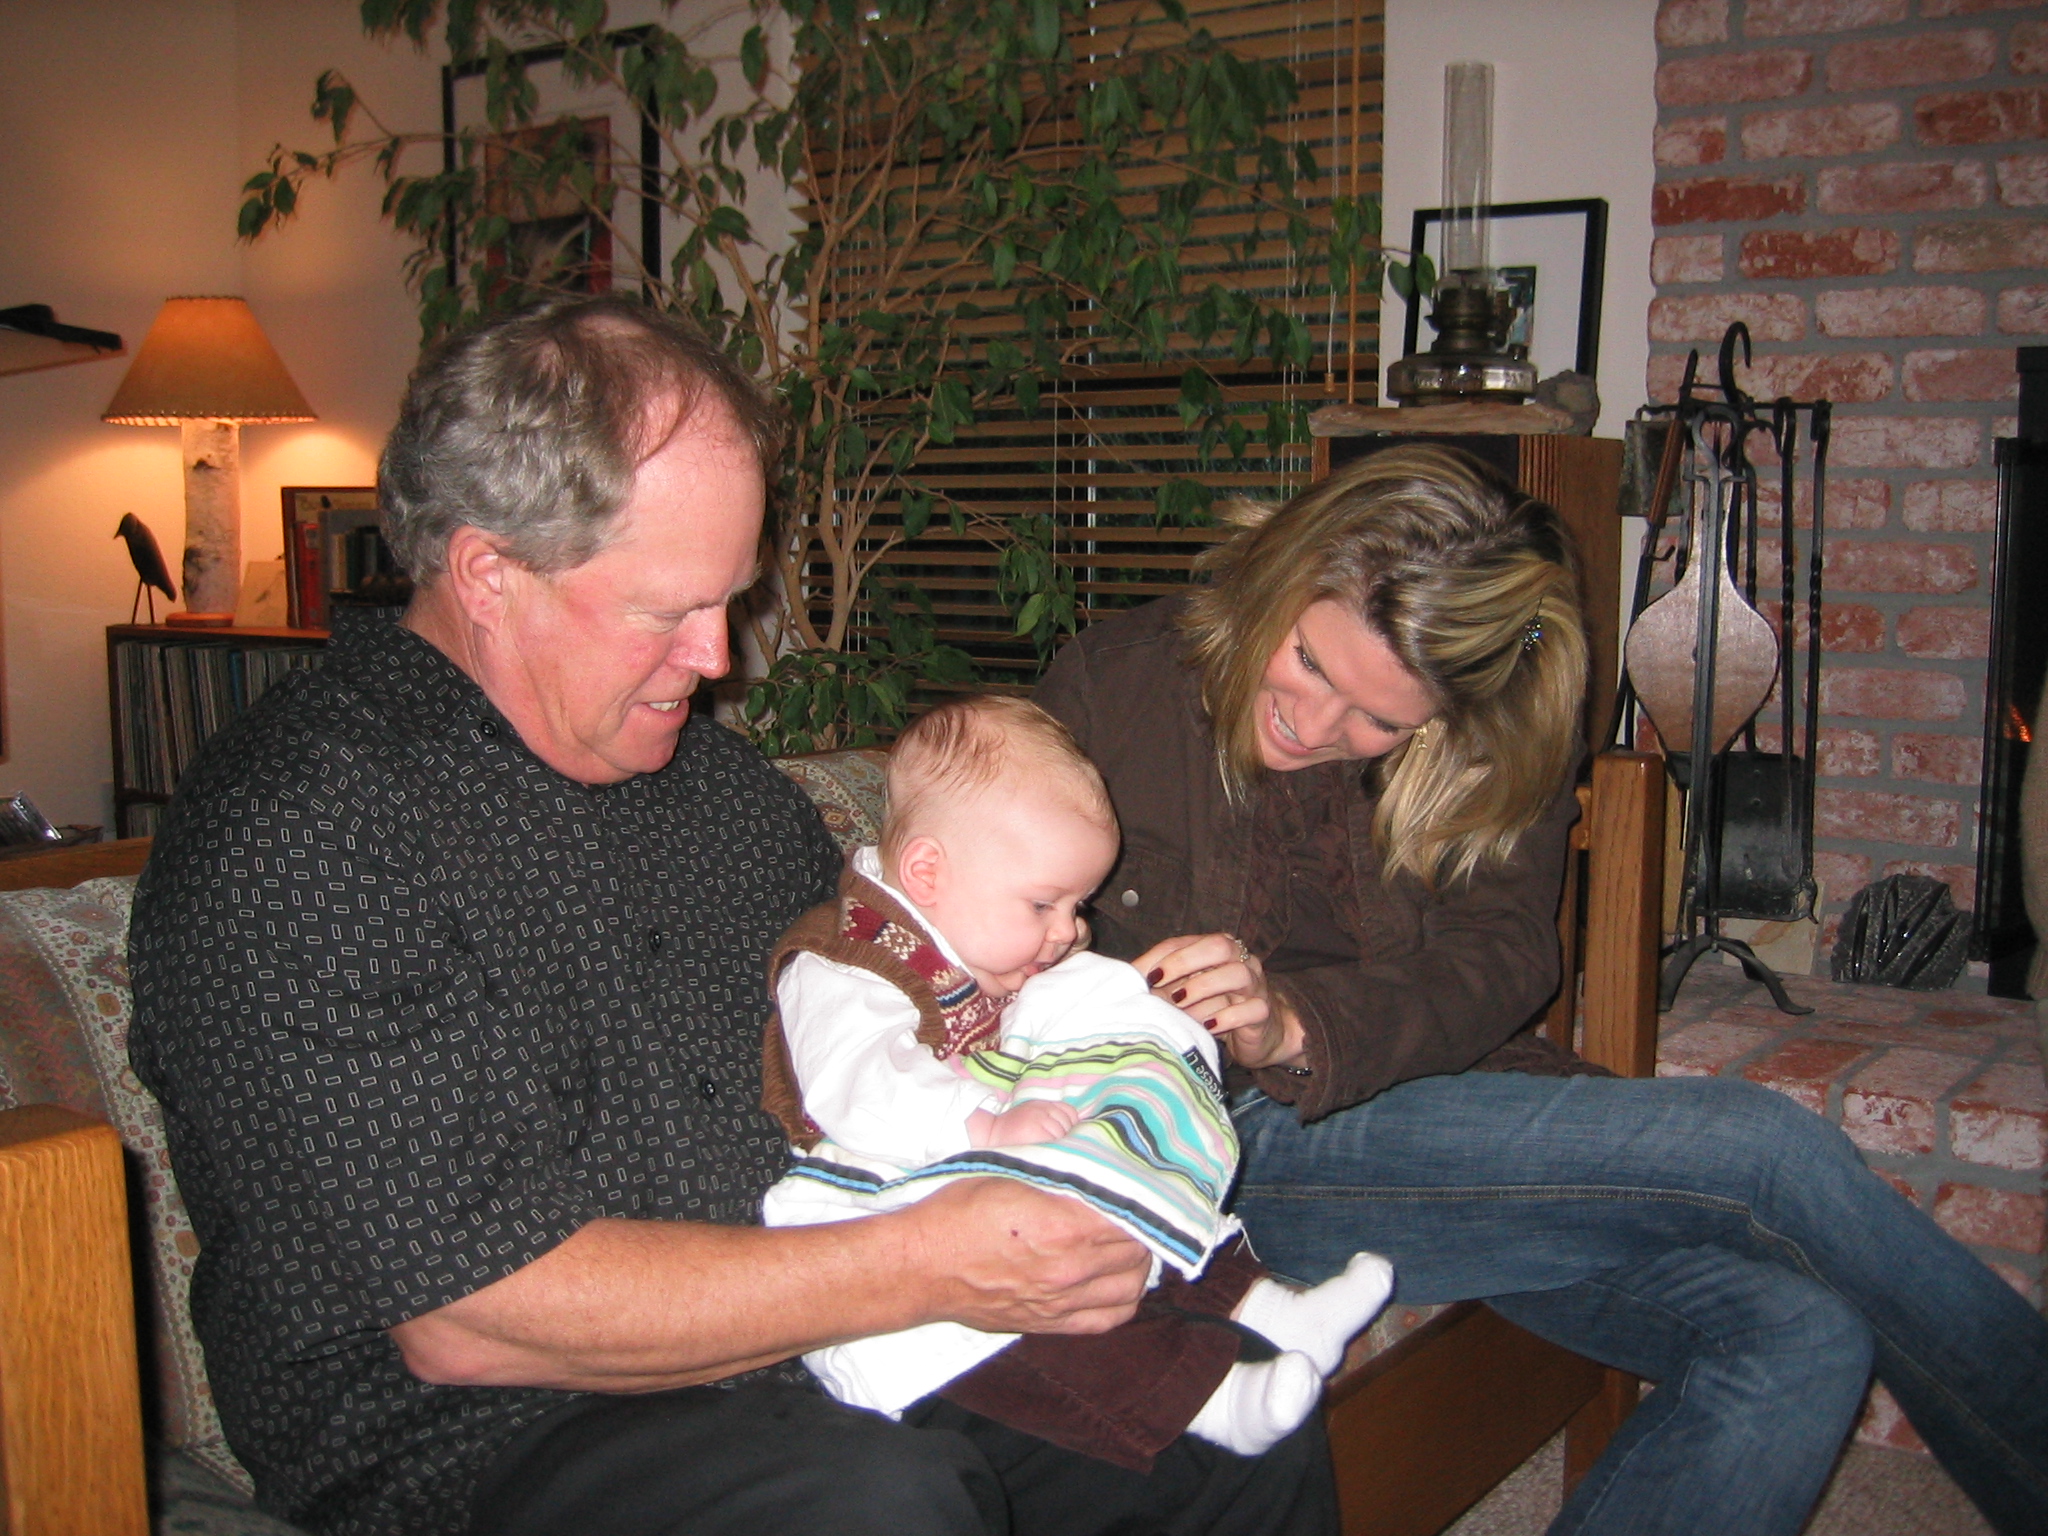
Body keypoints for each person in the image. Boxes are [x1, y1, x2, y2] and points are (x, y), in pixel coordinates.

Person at [126, 296, 1338, 1536]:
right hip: (486, 1441)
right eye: (665, 611)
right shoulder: (299, 831)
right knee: (873, 1506)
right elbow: (468, 1315)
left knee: (1228, 1436)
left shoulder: (724, 798)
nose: (719, 658)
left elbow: (909, 1012)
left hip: (825, 1347)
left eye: (730, 598)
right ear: (489, 575)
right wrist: (931, 1259)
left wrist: (1088, 1047)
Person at [1035, 444, 2048, 1536]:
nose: (1316, 726)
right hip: (1214, 1148)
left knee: (1799, 1334)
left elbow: (1503, 955)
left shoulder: (1493, 734)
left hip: (1427, 1120)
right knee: (1762, 1151)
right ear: (1286, 574)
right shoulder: (1118, 685)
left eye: (1381, 721)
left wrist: (1296, 1022)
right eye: (1312, 663)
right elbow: (958, 896)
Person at [759, 694, 1393, 1467]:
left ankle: (1272, 1309)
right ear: (927, 872)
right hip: (886, 1197)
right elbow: (858, 1085)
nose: (1069, 928)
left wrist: (1129, 1025)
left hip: (1003, 1149)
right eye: (1043, 904)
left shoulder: (979, 935)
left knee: (1126, 1167)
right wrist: (981, 1126)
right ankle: (1211, 1400)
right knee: (1035, 1327)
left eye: (1076, 905)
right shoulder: (844, 960)